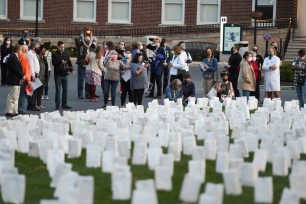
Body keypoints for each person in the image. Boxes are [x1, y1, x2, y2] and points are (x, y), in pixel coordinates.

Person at [52, 41, 74, 110]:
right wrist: (60, 61)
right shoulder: (54, 54)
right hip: (58, 75)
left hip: (65, 74)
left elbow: (69, 62)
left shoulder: (65, 54)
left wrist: (72, 69)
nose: (63, 48)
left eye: (63, 47)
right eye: (61, 47)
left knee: (65, 90)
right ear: (58, 47)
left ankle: (64, 104)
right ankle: (57, 104)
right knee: (58, 90)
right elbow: (54, 63)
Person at [5, 44, 25, 117]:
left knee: (15, 96)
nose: (21, 51)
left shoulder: (14, 56)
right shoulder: (13, 57)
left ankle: (14, 111)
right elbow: (16, 69)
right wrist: (22, 76)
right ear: (18, 50)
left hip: (15, 79)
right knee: (12, 96)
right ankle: (10, 111)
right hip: (13, 79)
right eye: (21, 50)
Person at [75, 27, 94, 99]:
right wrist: (82, 38)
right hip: (81, 62)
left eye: (89, 32)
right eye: (87, 31)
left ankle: (87, 93)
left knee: (88, 79)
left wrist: (91, 40)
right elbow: (77, 41)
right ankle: (80, 94)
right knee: (80, 79)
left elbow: (93, 49)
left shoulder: (92, 40)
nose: (88, 33)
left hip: (89, 63)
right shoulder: (79, 39)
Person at [18, 45, 32, 115]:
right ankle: (21, 109)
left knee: (21, 95)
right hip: (25, 79)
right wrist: (28, 80)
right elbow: (26, 70)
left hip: (21, 78)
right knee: (23, 95)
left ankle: (20, 109)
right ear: (26, 50)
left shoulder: (20, 56)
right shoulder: (24, 58)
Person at [27, 42, 41, 111]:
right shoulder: (30, 54)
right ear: (33, 47)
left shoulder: (34, 54)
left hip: (36, 73)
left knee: (35, 89)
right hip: (33, 74)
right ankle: (32, 105)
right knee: (33, 90)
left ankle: (31, 104)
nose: (38, 48)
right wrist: (33, 75)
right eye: (37, 47)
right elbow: (31, 65)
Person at [37, 45, 49, 109]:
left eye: (45, 50)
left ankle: (39, 104)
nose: (44, 51)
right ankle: (35, 104)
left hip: (43, 77)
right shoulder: (38, 57)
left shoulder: (43, 57)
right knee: (36, 92)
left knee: (40, 92)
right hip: (38, 77)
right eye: (43, 50)